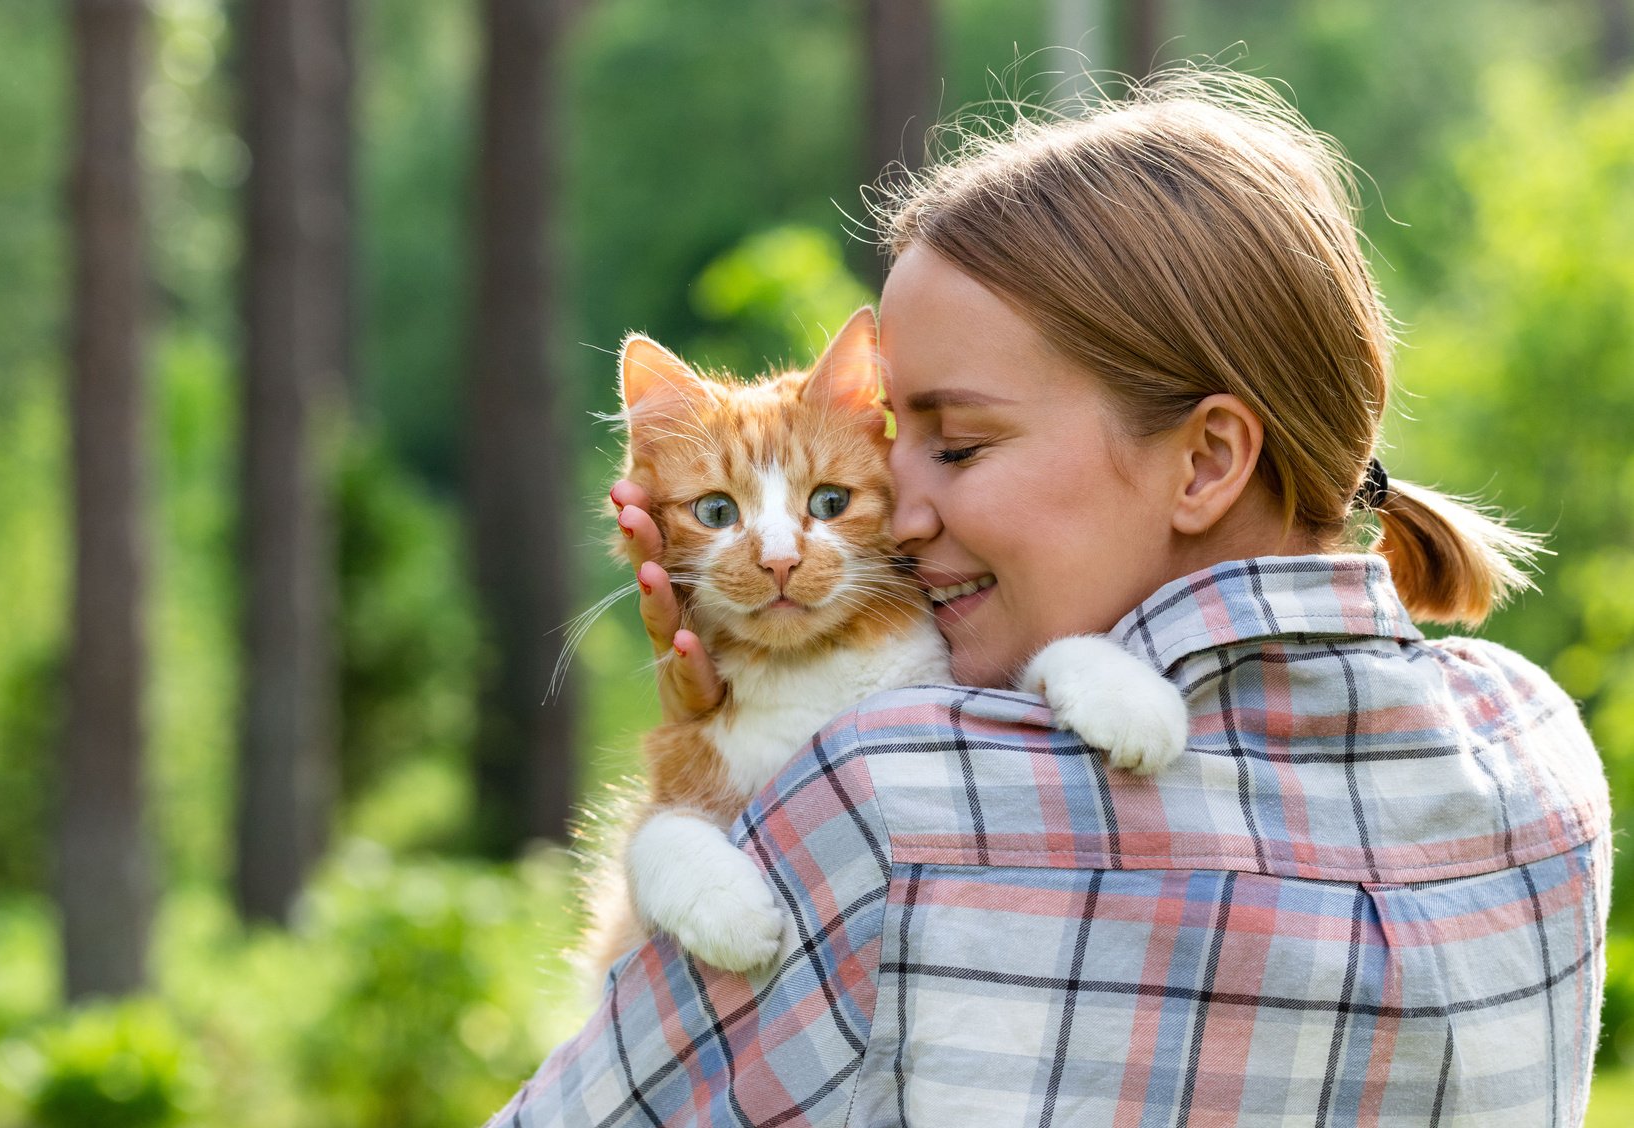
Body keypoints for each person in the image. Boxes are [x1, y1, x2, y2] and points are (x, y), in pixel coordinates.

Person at [488, 69, 1610, 1126]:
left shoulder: (899, 800)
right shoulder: (1536, 750)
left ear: (1208, 460)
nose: (899, 507)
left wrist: (745, 769)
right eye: (894, 445)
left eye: (960, 446)